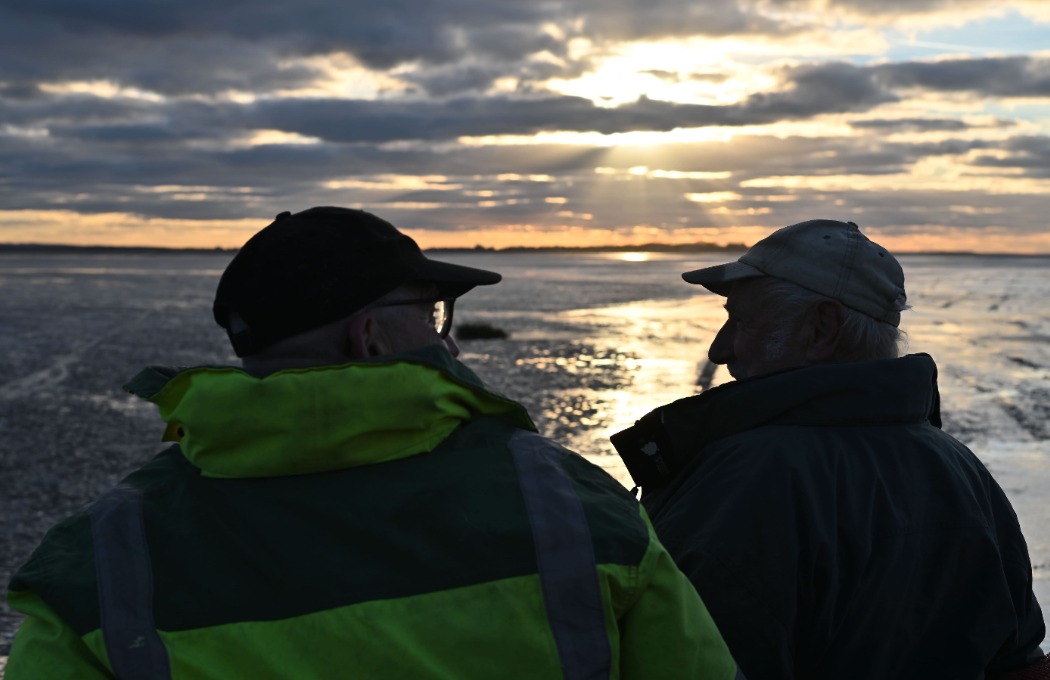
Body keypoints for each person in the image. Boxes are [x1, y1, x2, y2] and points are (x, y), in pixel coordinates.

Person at [5, 207, 739, 679]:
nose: (445, 331)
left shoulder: (101, 554)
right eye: (434, 311)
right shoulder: (570, 505)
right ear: (372, 333)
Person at [611, 219, 1047, 679]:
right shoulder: (961, 468)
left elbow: (681, 663)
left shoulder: (751, 479)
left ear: (822, 328)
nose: (720, 349)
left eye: (740, 321)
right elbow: (1020, 662)